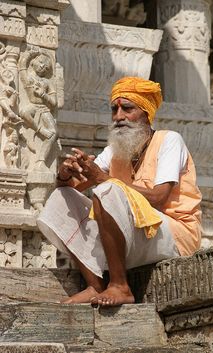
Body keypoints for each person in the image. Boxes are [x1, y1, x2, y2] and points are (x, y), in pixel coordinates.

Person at [37, 76, 202, 307]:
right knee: (61, 199)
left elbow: (158, 197)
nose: (118, 117)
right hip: (134, 237)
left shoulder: (169, 140)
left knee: (108, 189)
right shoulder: (114, 150)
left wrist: (104, 179)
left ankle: (120, 286)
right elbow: (73, 189)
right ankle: (95, 285)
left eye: (127, 109)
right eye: (114, 109)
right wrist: (65, 175)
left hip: (173, 234)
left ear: (146, 112)